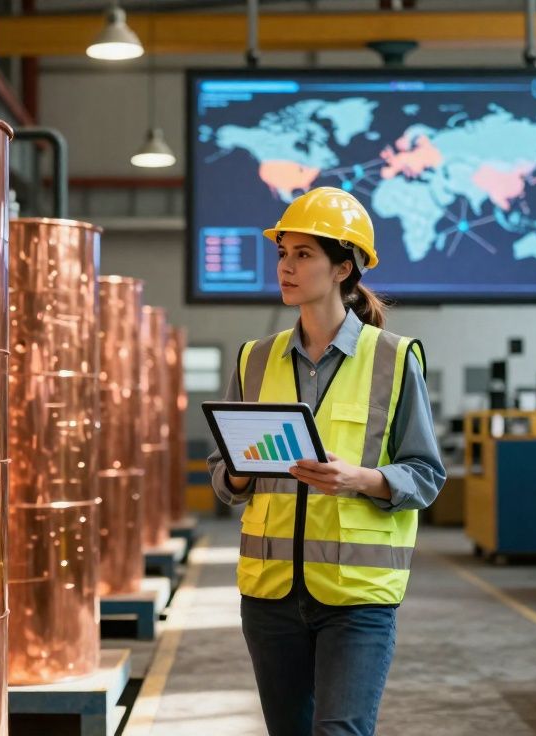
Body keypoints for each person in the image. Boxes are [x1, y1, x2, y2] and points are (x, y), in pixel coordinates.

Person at [207, 187, 446, 736]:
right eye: (283, 254)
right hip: (269, 597)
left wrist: (360, 479)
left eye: (303, 255)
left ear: (344, 267)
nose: (286, 267)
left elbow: (426, 475)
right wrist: (239, 472)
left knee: (340, 731)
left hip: (357, 598)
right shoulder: (254, 358)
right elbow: (224, 473)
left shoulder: (393, 358)